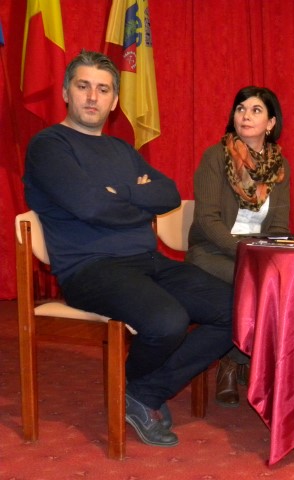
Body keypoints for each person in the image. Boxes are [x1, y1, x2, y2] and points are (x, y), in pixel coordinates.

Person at [23, 50, 234, 447]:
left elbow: (167, 194)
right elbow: (91, 206)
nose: (93, 97)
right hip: (91, 269)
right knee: (167, 321)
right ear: (66, 92)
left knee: (237, 309)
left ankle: (142, 391)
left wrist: (117, 194)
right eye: (83, 86)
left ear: (115, 100)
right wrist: (135, 198)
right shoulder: (49, 146)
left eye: (103, 90)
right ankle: (143, 393)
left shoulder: (121, 150)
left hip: (147, 262)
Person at [186, 86, 290, 407]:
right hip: (212, 252)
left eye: (256, 110)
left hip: (255, 254)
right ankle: (233, 363)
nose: (245, 115)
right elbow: (207, 220)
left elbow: (279, 226)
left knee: (287, 283)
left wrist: (272, 256)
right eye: (241, 108)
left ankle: (252, 362)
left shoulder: (279, 166)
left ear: (270, 123)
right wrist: (245, 254)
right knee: (253, 284)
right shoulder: (215, 157)